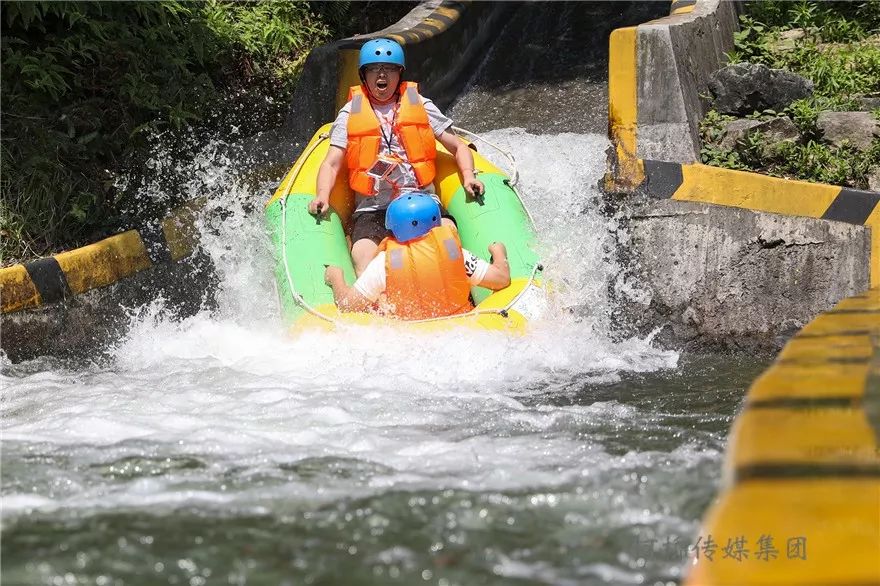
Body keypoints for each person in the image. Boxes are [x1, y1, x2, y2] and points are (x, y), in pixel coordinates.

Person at [308, 38, 484, 276]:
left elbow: (458, 147)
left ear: (399, 73)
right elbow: (331, 162)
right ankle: (377, 309)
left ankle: (459, 296)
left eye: (389, 68)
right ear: (364, 76)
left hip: (421, 199)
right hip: (373, 208)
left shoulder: (421, 105)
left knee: (448, 238)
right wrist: (322, 195)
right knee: (362, 255)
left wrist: (468, 176)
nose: (382, 74)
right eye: (374, 69)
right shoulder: (349, 113)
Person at [324, 194, 510, 320]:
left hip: (409, 336)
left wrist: (336, 278)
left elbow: (348, 306)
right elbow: (501, 279)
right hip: (457, 326)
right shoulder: (453, 252)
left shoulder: (385, 263)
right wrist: (499, 252)